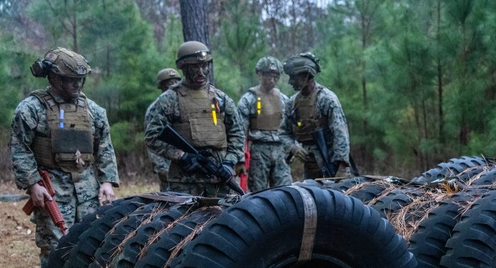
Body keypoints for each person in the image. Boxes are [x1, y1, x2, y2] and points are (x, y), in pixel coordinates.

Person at [10, 47, 119, 267]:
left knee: (91, 246)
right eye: (71, 80)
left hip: (88, 191)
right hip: (53, 191)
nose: (77, 85)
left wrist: (107, 182)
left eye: (80, 80)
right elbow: (20, 148)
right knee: (55, 250)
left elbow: (104, 146)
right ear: (54, 78)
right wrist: (32, 184)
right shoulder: (32, 109)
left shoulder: (93, 111)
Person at [144, 41, 246, 197]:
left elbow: (237, 133)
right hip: (185, 183)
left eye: (204, 66)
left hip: (220, 180)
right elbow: (152, 136)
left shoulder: (221, 99)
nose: (201, 72)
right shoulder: (170, 99)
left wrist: (229, 163)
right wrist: (182, 156)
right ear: (184, 68)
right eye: (195, 67)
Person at [279, 52, 352, 179]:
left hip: (331, 164)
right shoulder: (292, 103)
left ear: (306, 75)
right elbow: (283, 132)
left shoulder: (327, 99)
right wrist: (294, 147)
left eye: (293, 77)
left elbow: (340, 133)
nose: (290, 82)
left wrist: (342, 167)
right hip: (310, 167)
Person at [237, 56, 295, 190]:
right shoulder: (249, 99)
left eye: (276, 77)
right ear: (260, 74)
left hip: (281, 151)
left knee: (285, 191)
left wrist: (293, 148)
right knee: (259, 193)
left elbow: (291, 127)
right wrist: (240, 158)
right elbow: (240, 131)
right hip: (259, 151)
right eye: (269, 76)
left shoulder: (284, 100)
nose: (272, 80)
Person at [146, 68, 181, 190]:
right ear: (161, 86)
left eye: (175, 82)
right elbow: (151, 139)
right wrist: (161, 167)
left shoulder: (181, 104)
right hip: (166, 164)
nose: (173, 85)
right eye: (169, 83)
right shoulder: (155, 108)